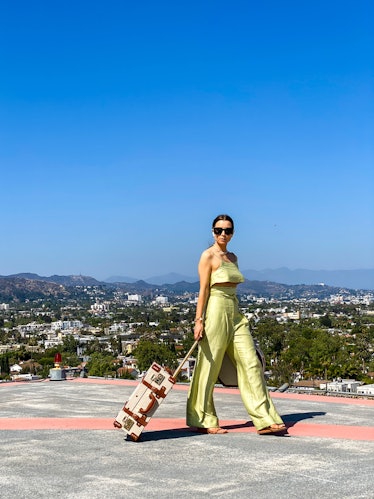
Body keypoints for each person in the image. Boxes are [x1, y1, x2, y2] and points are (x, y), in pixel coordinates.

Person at [186, 214, 286, 435]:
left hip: (236, 313)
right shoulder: (207, 256)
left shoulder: (233, 257)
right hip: (215, 310)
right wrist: (198, 320)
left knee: (251, 363)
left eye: (228, 230)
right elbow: (203, 290)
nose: (224, 234)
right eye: (219, 230)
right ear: (213, 232)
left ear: (233, 233)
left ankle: (265, 419)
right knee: (208, 367)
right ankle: (202, 418)